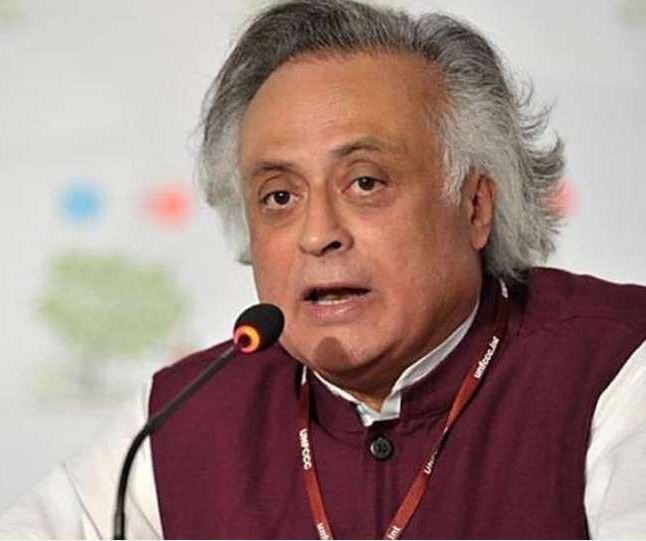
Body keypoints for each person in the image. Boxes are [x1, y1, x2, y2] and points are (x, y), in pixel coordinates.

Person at [1, 0, 645, 538]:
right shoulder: (178, 421)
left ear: (474, 206)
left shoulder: (617, 367)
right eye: (280, 196)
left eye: (365, 183)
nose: (317, 235)